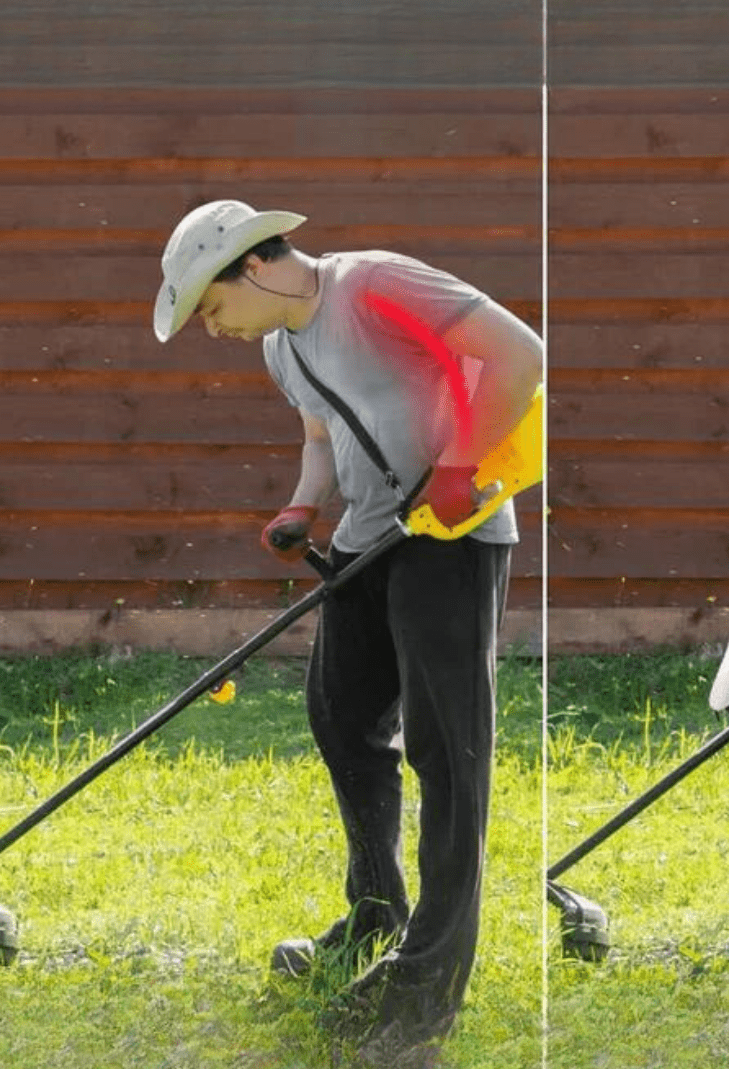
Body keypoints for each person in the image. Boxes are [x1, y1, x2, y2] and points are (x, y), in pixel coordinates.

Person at [154, 200, 542, 1061]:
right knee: (342, 718)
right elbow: (322, 433)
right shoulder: (279, 344)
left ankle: (426, 985)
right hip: (369, 541)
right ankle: (376, 909)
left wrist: (460, 464)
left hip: (452, 536)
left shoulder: (374, 285)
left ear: (252, 266)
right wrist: (303, 505)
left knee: (449, 756)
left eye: (210, 308)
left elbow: (522, 355)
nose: (211, 329)